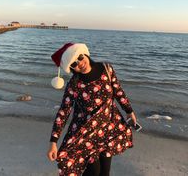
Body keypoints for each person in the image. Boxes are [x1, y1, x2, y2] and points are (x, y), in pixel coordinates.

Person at [47, 42, 137, 176]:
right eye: (74, 64)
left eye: (80, 57)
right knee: (94, 171)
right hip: (86, 133)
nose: (79, 63)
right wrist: (53, 141)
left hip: (108, 128)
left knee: (105, 172)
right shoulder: (74, 84)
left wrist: (129, 111)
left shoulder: (106, 68)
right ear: (71, 68)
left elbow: (118, 92)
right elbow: (64, 111)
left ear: (85, 53)